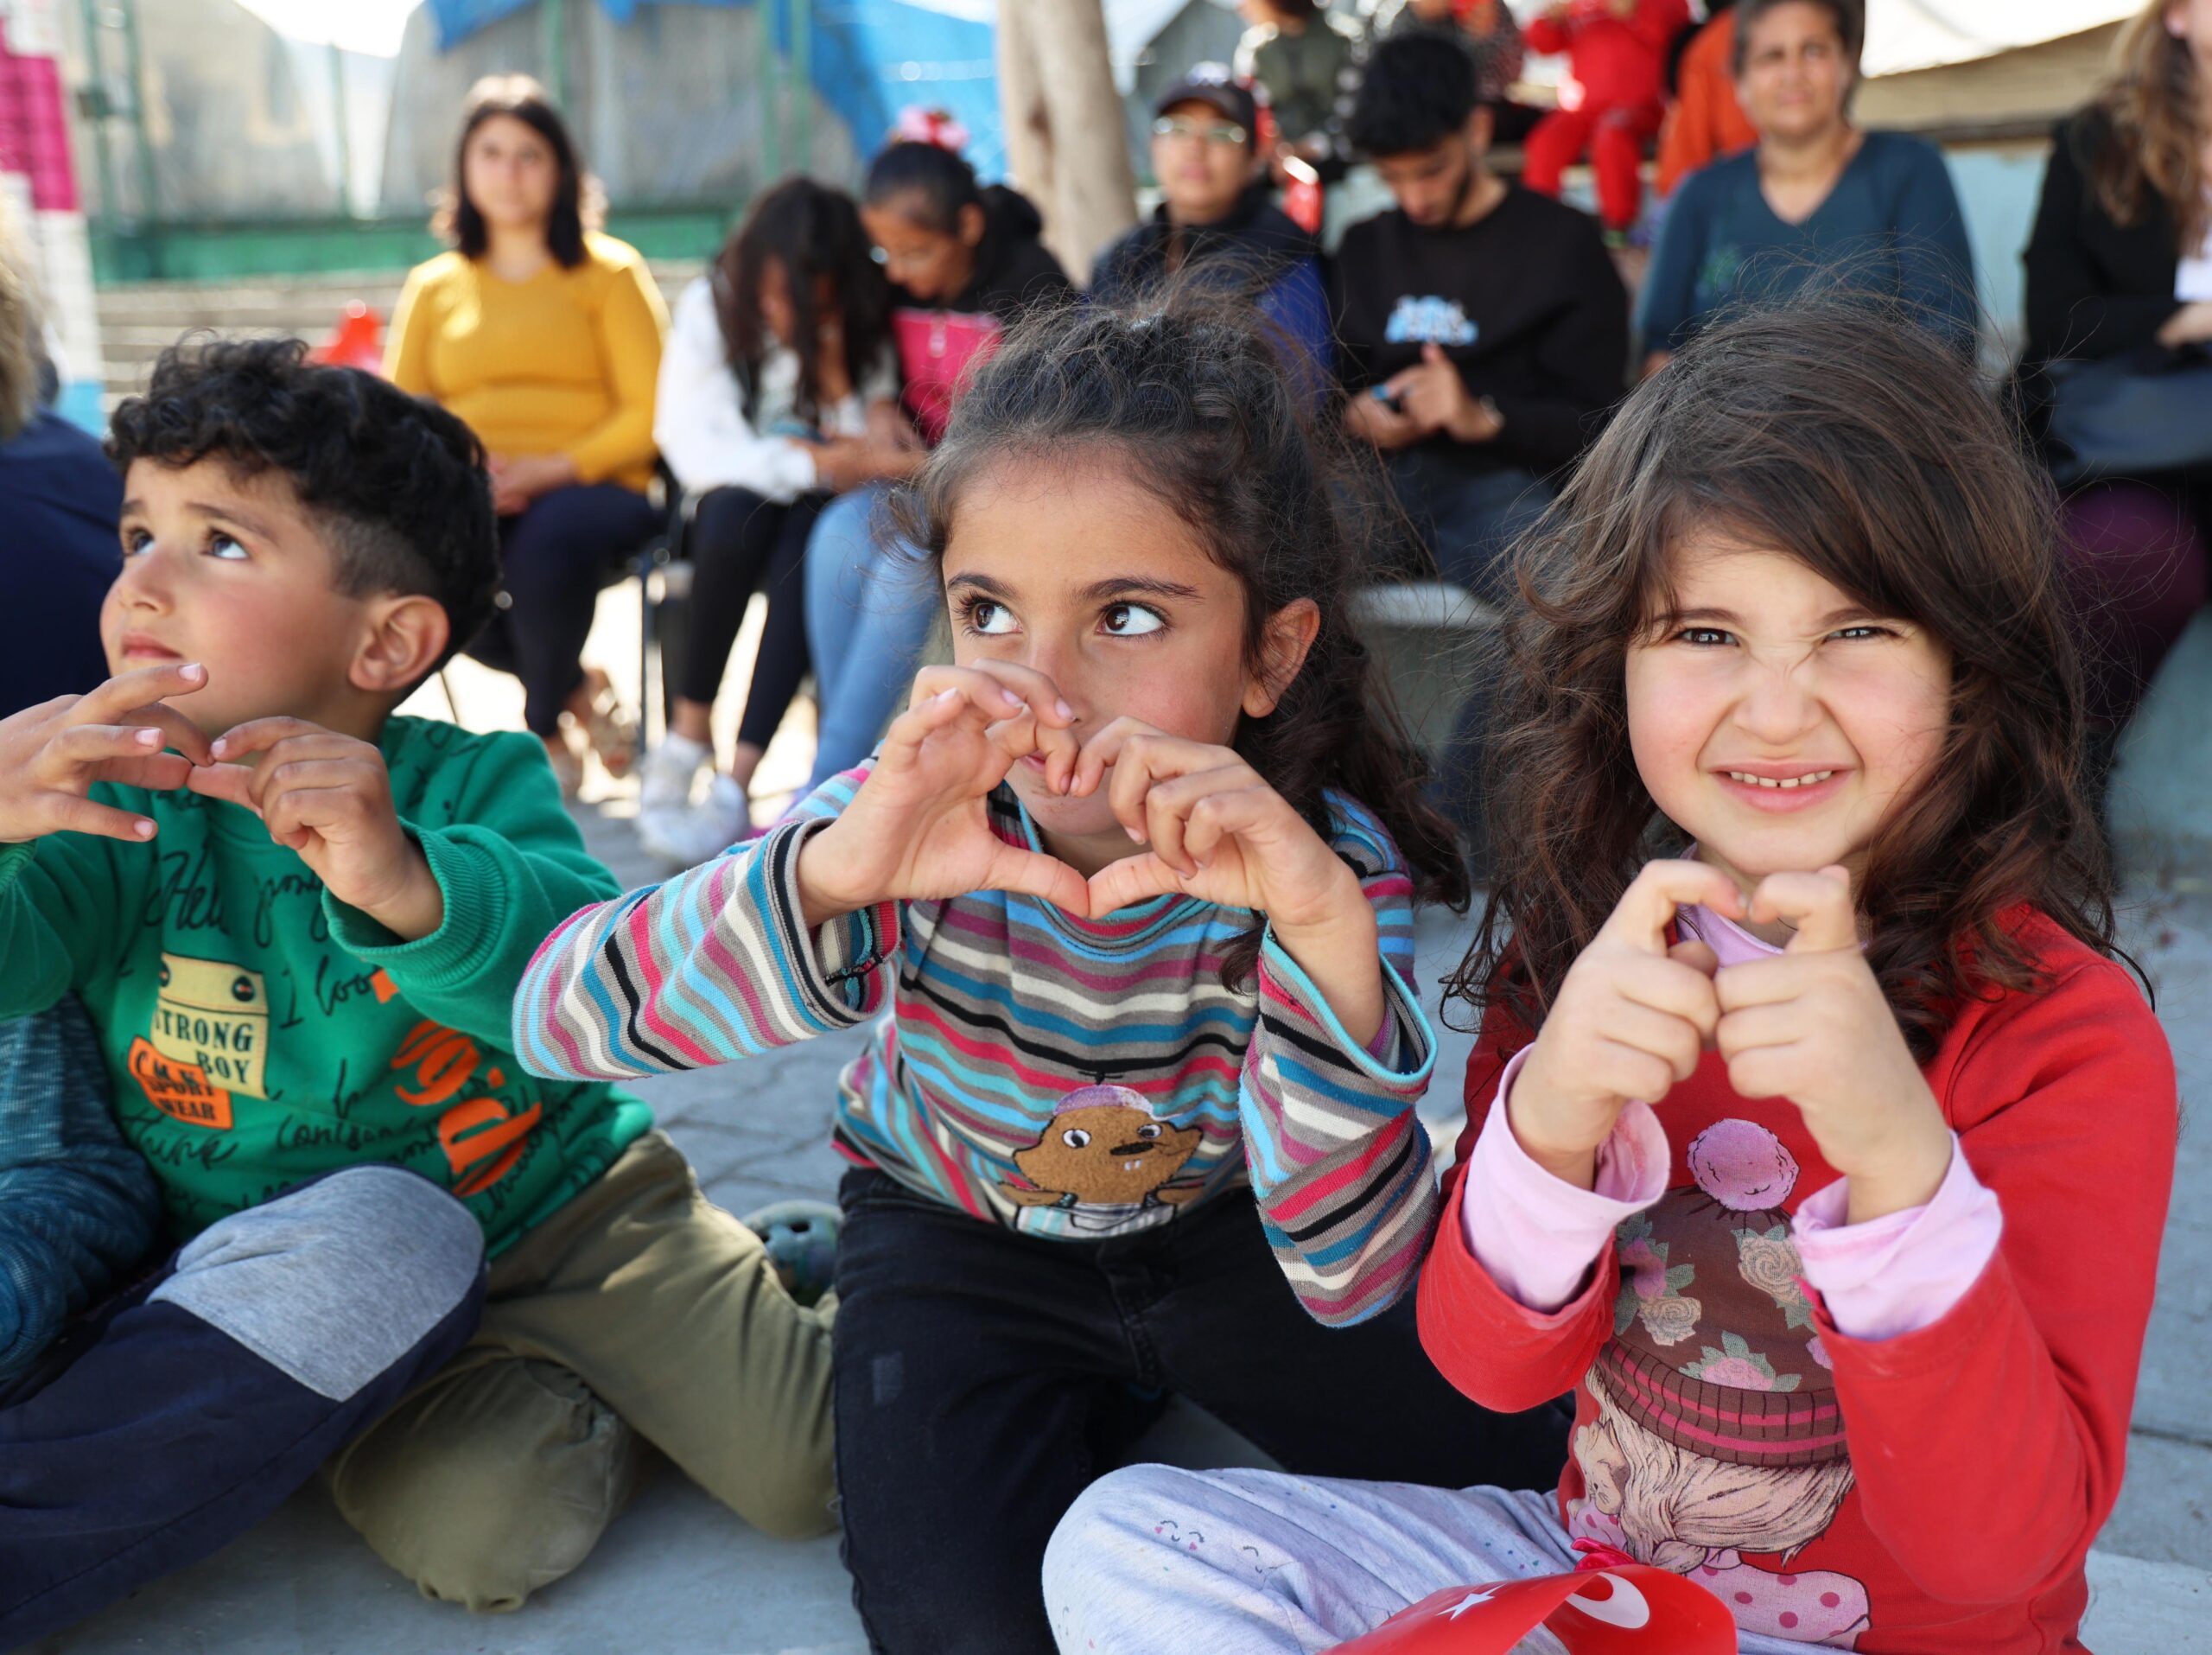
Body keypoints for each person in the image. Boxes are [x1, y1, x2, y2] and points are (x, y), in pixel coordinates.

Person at [1044, 300, 2173, 1654]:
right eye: (1703, 634)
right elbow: (1486, 1363)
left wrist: (1897, 1163)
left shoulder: (2063, 1034)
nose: (1774, 706)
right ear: (1614, 666)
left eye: (1857, 631)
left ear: (1968, 672)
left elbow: (2000, 1552)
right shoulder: (1591, 953)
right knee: (1128, 1539)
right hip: (1607, 1585)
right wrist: (1551, 1117)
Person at [514, 298, 1575, 1655]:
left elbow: (1350, 1272)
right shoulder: (899, 823)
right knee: (959, 1618)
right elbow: (558, 1020)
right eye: (989, 610)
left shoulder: (1315, 865)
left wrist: (1319, 929)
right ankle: (901, 1302)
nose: (1046, 689)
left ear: (1272, 650)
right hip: (953, 1231)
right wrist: (832, 876)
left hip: (1231, 1228)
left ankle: (1122, 1384)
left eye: (1127, 614)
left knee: (1534, 1462)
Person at [0, 340, 834, 1639]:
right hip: (340, 1294)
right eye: (134, 533)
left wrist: (406, 879)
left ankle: (813, 1271)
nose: (140, 583)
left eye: (216, 543)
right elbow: (18, 966)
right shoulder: (113, 798)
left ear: (387, 639)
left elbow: (577, 978)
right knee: (486, 1535)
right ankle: (650, 1367)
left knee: (806, 1472)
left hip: (570, 1219)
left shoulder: (472, 778)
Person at [386, 75, 667, 796]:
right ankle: (577, 685)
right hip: (472, 490)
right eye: (492, 153)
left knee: (547, 546)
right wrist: (467, 475)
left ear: (560, 169)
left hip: (596, 488)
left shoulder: (610, 272)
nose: (509, 173)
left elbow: (649, 409)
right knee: (430, 568)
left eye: (529, 155)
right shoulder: (433, 285)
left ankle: (541, 724)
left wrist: (548, 469)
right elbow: (402, 414)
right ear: (464, 167)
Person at [792, 123, 1077, 800]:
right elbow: (867, 360)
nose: (896, 270)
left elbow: (1057, 430)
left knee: (901, 561)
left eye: (915, 251)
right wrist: (882, 404)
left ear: (969, 226)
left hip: (1001, 496)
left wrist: (931, 469)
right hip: (917, 483)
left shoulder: (1030, 281)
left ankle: (825, 791)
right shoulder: (894, 282)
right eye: (884, 249)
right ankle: (848, 761)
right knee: (836, 532)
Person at [641, 178, 918, 865]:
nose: (778, 309)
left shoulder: (855, 324)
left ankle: (738, 777)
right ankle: (689, 731)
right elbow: (696, 446)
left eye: (800, 297)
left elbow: (874, 451)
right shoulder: (713, 306)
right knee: (736, 513)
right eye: (770, 293)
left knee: (808, 539)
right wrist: (814, 462)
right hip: (733, 502)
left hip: (818, 514)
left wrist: (829, 370)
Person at [1335, 29, 1629, 603]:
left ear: (1477, 129)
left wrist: (1485, 417)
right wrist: (1357, 416)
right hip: (1377, 485)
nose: (1414, 196)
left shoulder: (1562, 243)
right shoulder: (1363, 248)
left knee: (1560, 605)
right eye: (1392, 177)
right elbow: (1325, 392)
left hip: (1508, 488)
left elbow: (1603, 426)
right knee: (1268, 568)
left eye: (1431, 170)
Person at [2019, 0, 2212, 797]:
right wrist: (2187, 319)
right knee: (2117, 554)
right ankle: (2069, 781)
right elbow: (2057, 316)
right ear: (2175, 16)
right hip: (2146, 444)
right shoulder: (2099, 141)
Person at [1637, 0, 1975, 369]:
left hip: (1878, 422)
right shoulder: (1700, 195)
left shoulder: (1910, 171)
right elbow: (1658, 353)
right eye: (1772, 56)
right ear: (1740, 83)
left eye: (1813, 50)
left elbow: (1948, 341)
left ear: (1847, 65)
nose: (1793, 73)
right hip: (1721, 425)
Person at [1090, 65, 1334, 385]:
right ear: (1153, 147)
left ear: (1253, 160)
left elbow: (1299, 395)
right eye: (1177, 129)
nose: (1196, 147)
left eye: (1222, 133)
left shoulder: (1284, 253)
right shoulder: (1119, 256)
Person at [1522, 0, 1693, 242]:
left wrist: (1635, 10)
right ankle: (1537, 225)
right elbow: (1542, 43)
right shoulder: (1582, 6)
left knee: (1612, 135)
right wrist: (1551, 19)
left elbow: (1678, 32)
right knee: (1546, 140)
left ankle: (1618, 226)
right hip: (1586, 109)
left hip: (1642, 107)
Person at [1235, 0, 1360, 175]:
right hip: (1275, 166)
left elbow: (1357, 110)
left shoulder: (1344, 42)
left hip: (1343, 162)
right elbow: (1251, 111)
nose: (1241, 6)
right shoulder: (1257, 52)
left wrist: (1311, 147)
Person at [1656, 0, 1756, 197]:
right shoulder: (1713, 47)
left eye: (1812, 53)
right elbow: (1682, 167)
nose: (1791, 73)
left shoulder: (1714, 43)